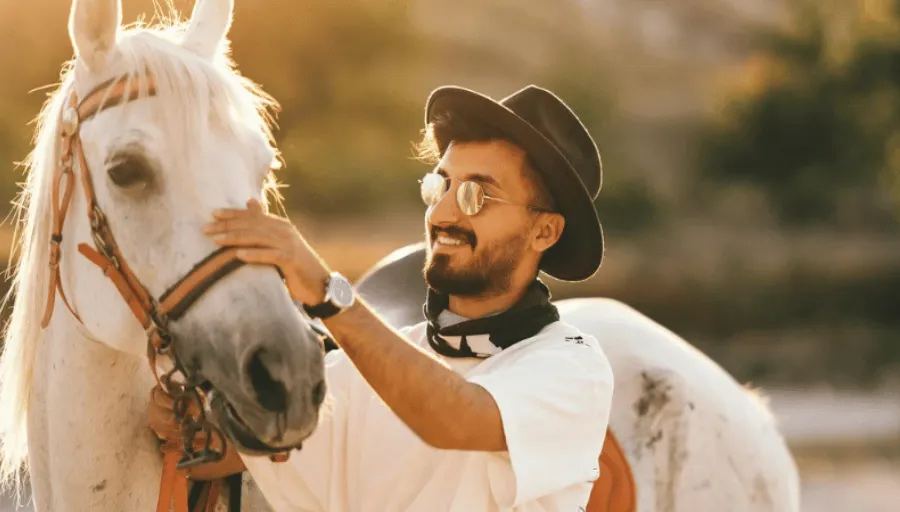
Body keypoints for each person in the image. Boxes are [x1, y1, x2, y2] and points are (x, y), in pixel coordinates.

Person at [149, 85, 615, 511]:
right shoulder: (355, 373)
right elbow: (216, 454)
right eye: (440, 185)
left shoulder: (572, 367)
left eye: (477, 195)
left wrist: (328, 293)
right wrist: (183, 420)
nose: (444, 212)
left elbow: (455, 419)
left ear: (545, 230)